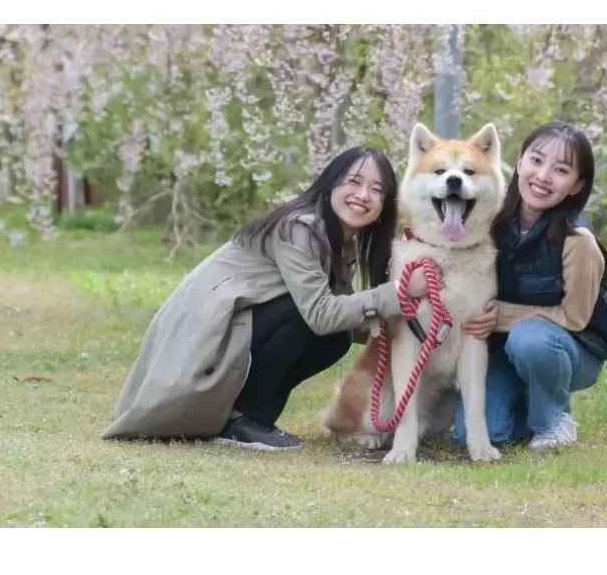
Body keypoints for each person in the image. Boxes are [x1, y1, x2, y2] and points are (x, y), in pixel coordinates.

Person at [101, 146, 440, 451]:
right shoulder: (301, 228)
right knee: (314, 322)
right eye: (353, 182)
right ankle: (242, 419)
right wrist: (397, 293)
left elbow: (347, 317)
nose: (363, 194)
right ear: (329, 185)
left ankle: (250, 419)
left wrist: (414, 325)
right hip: (202, 342)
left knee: (333, 337)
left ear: (383, 208)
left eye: (377, 190)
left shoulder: (339, 241)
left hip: (232, 331)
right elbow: (322, 314)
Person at [455, 122, 607, 451]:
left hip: (567, 349)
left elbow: (574, 318)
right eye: (537, 160)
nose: (543, 176)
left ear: (576, 185)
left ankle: (552, 419)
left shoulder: (579, 242)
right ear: (519, 162)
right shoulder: (486, 216)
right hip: (502, 350)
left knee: (530, 338)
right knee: (471, 436)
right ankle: (527, 399)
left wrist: (499, 315)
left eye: (561, 170)